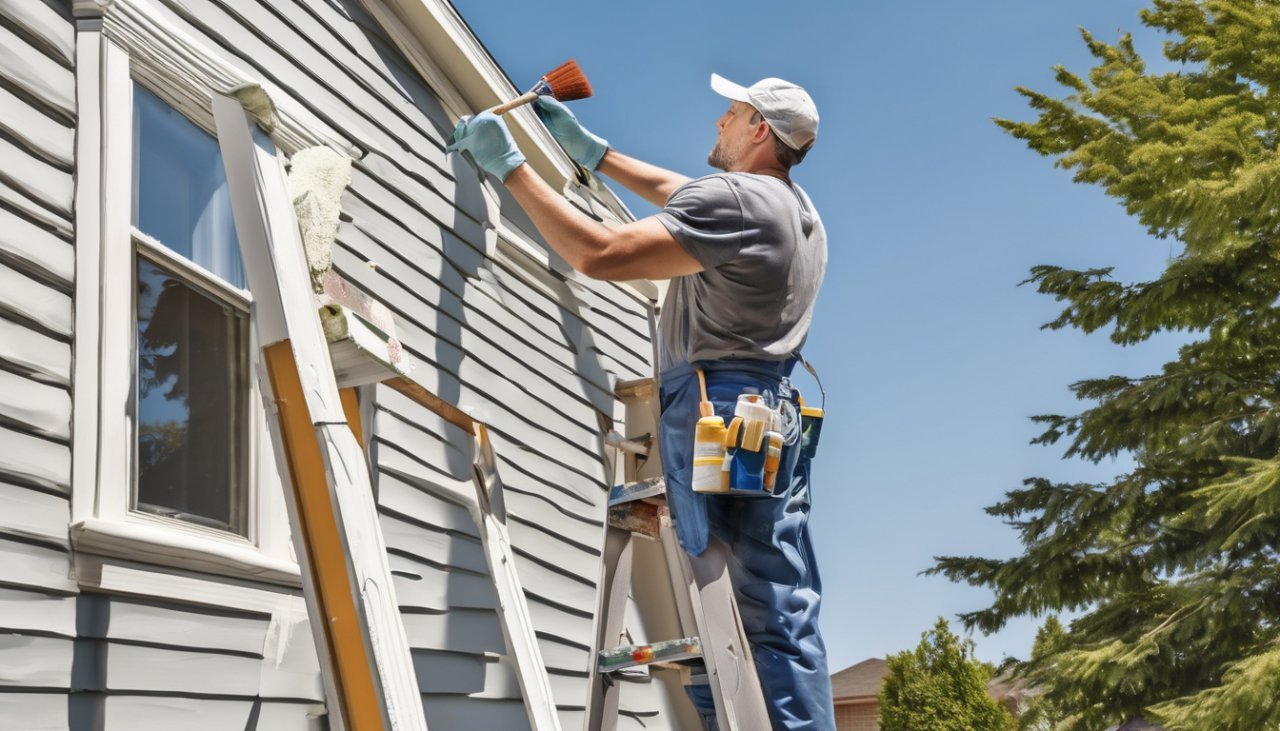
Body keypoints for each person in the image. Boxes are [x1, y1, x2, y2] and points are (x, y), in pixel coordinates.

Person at [448, 72, 834, 731]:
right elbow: (687, 195)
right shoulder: (798, 213)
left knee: (725, 608)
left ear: (759, 130)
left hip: (715, 408)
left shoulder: (738, 203)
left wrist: (510, 165)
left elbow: (598, 253)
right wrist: (596, 154)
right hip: (770, 412)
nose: (718, 122)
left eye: (731, 113)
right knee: (780, 601)